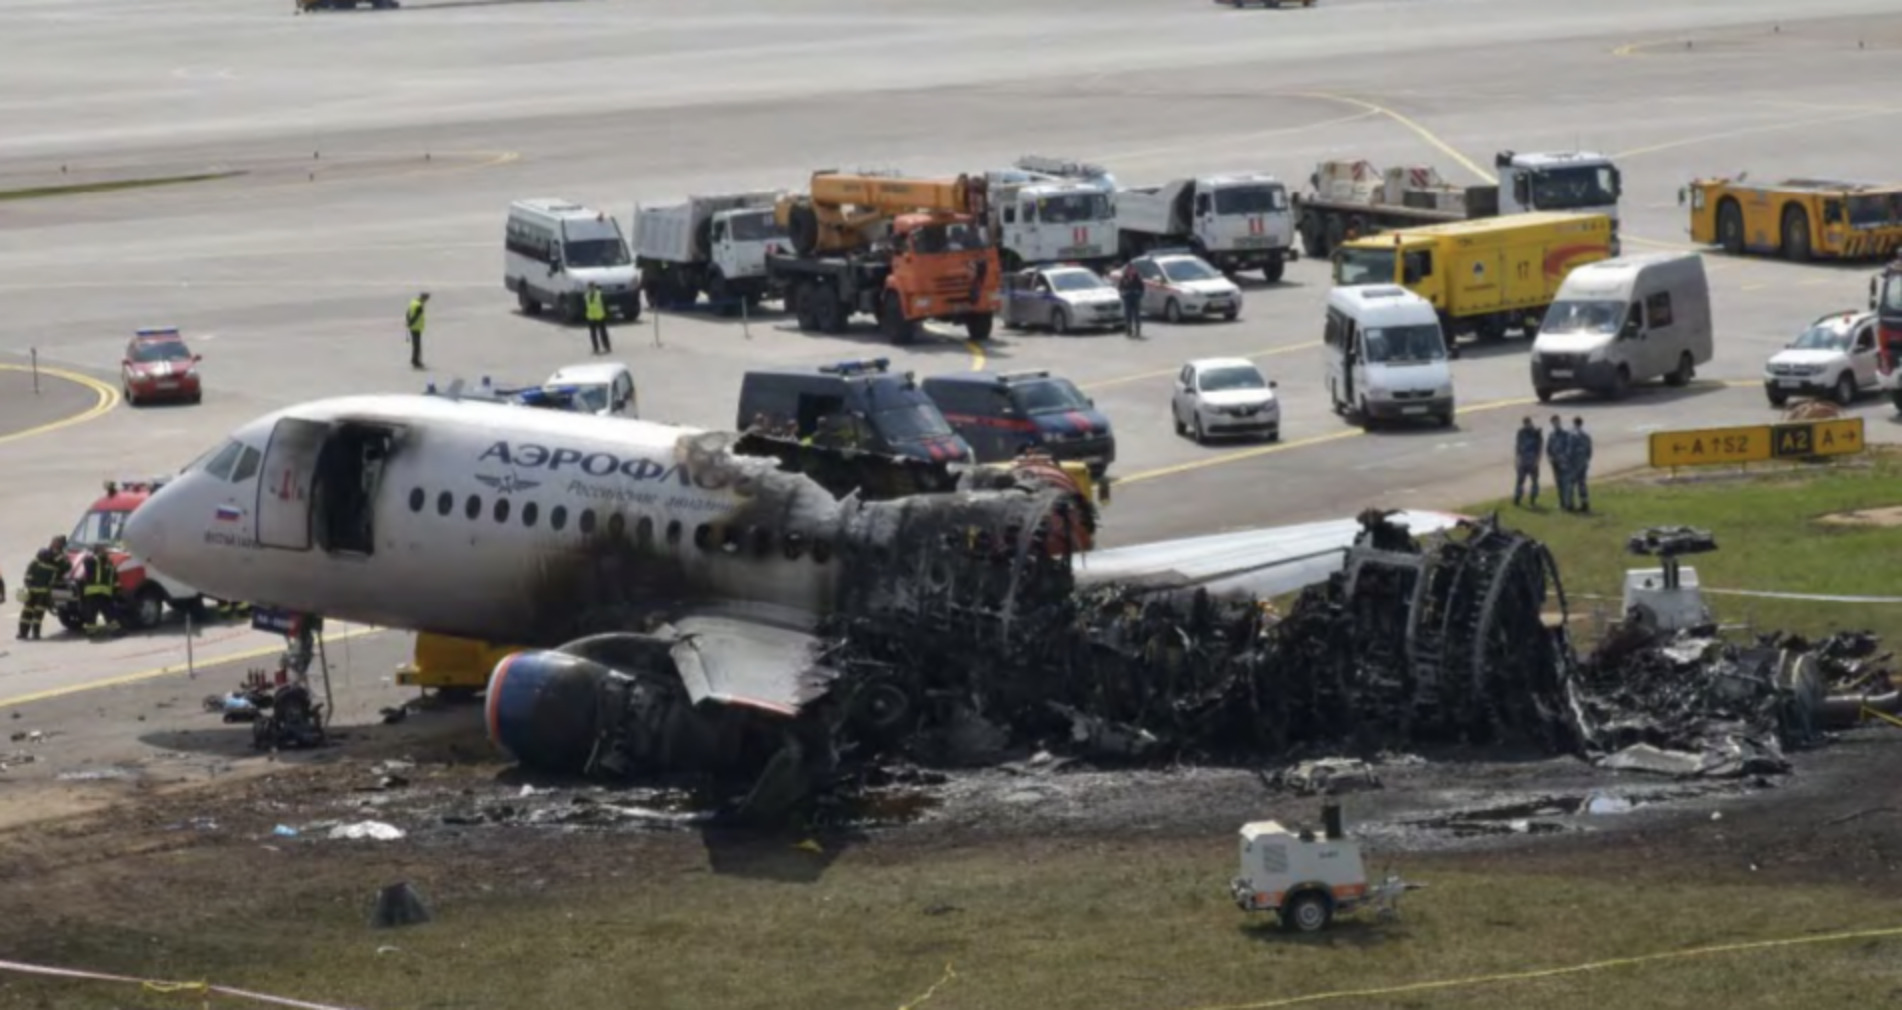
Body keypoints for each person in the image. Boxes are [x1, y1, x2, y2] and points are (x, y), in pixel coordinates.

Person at [18, 535, 66, 640]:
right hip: (36, 591)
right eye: (54, 541)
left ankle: (31, 634)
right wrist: (28, 583)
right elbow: (30, 571)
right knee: (29, 613)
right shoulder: (45, 556)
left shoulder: (58, 558)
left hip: (41, 592)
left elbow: (65, 566)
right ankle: (25, 633)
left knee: (36, 614)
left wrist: (28, 583)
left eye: (57, 542)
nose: (54, 543)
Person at [80, 544, 120, 637]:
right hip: (93, 592)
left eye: (105, 550)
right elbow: (87, 562)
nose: (105, 552)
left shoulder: (108, 563)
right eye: (103, 550)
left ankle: (115, 630)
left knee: (109, 612)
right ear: (97, 551)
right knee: (92, 613)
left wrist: (116, 590)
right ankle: (91, 632)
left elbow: (114, 577)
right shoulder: (92, 560)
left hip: (104, 592)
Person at [1545, 414, 1574, 512]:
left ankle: (1568, 504)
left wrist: (1563, 459)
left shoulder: (1566, 434)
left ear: (1560, 422)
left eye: (1557, 422)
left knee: (1566, 483)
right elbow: (1548, 449)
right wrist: (1550, 458)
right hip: (1555, 463)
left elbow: (1569, 449)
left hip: (1564, 463)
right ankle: (1562, 503)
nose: (1555, 424)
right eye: (1554, 423)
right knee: (1559, 484)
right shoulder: (1551, 435)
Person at [1512, 417, 1543, 507]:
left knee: (1534, 481)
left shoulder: (1536, 433)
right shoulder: (1521, 433)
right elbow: (1518, 447)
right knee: (1520, 481)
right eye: (1525, 423)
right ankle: (1517, 498)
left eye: (1527, 423)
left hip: (1532, 460)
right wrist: (1517, 459)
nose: (1526, 425)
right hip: (1523, 461)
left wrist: (1538, 460)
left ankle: (1533, 499)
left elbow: (1539, 447)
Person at [1569, 416, 1594, 513]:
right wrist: (1586, 460)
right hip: (1583, 462)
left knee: (1571, 483)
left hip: (1574, 462)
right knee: (1582, 483)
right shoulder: (1586, 436)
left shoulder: (1572, 435)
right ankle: (1585, 503)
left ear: (1574, 423)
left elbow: (1570, 450)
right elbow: (1589, 451)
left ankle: (1570, 504)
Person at [584, 281, 611, 355]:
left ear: (594, 287)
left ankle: (607, 346)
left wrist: (606, 313)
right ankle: (595, 348)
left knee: (603, 333)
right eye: (589, 287)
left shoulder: (599, 294)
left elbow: (605, 303)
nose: (591, 288)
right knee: (593, 334)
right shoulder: (587, 295)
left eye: (592, 287)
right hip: (591, 317)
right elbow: (587, 306)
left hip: (600, 316)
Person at [1118, 265, 1145, 338]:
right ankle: (1128, 329)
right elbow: (1120, 288)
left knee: (1137, 314)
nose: (1130, 271)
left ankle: (1138, 330)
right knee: (1128, 314)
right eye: (1128, 270)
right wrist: (1123, 294)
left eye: (1132, 270)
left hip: (1135, 297)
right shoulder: (1123, 278)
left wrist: (1139, 294)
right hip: (1127, 298)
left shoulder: (1137, 278)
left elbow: (1142, 288)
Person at [405, 291, 429, 369]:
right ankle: (416, 362)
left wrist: (408, 321)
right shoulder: (419, 306)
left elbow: (408, 312)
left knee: (415, 345)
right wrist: (411, 323)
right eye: (426, 299)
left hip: (413, 327)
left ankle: (414, 360)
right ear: (424, 298)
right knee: (417, 346)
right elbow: (416, 317)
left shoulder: (413, 302)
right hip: (416, 327)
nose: (426, 301)